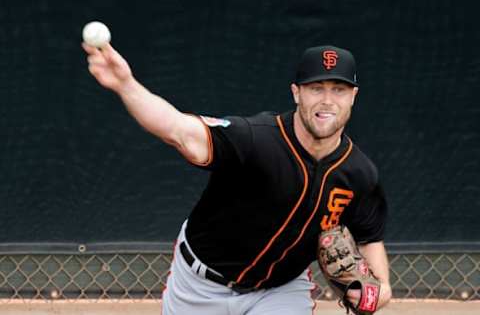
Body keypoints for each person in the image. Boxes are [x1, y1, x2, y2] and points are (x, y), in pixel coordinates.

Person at [82, 42, 392, 314]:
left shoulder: (359, 175)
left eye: (338, 89)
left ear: (353, 96)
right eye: (316, 88)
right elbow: (178, 131)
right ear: (296, 93)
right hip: (200, 286)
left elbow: (369, 236)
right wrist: (125, 84)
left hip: (279, 291)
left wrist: (379, 291)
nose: (327, 100)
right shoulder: (255, 140)